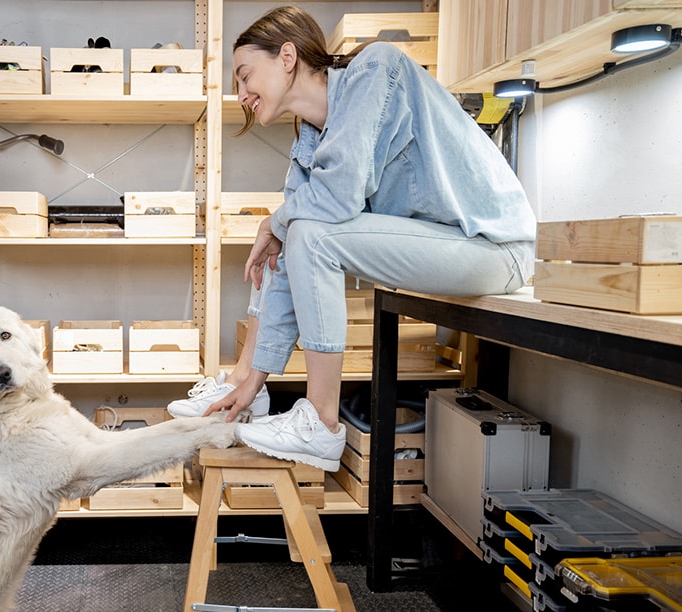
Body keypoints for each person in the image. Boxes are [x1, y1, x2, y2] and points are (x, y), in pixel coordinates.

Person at [166, 5, 536, 471]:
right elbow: (286, 250)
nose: (241, 94)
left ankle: (320, 423)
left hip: (494, 247)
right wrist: (252, 379)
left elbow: (337, 197)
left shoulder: (375, 68)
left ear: (286, 56)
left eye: (244, 76)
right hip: (445, 245)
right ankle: (252, 391)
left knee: (306, 230)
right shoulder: (308, 145)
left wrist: (275, 223)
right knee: (297, 231)